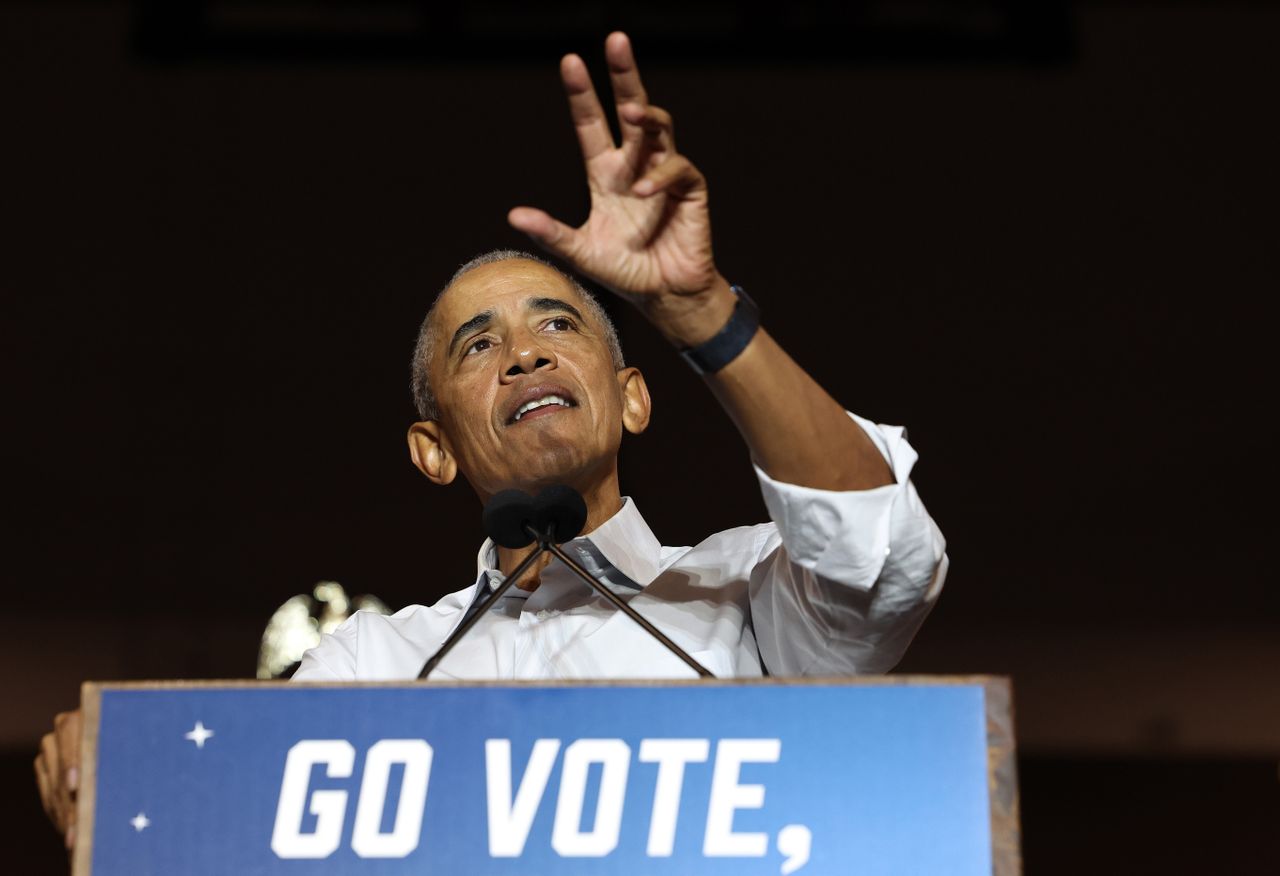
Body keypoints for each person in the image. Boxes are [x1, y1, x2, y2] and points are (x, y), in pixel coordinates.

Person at [35, 30, 947, 850]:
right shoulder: (372, 665)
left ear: (632, 399)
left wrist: (697, 311)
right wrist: (122, 783)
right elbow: (252, 829)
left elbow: (884, 555)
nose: (523, 356)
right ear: (434, 450)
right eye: (480, 345)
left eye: (558, 326)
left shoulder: (744, 595)